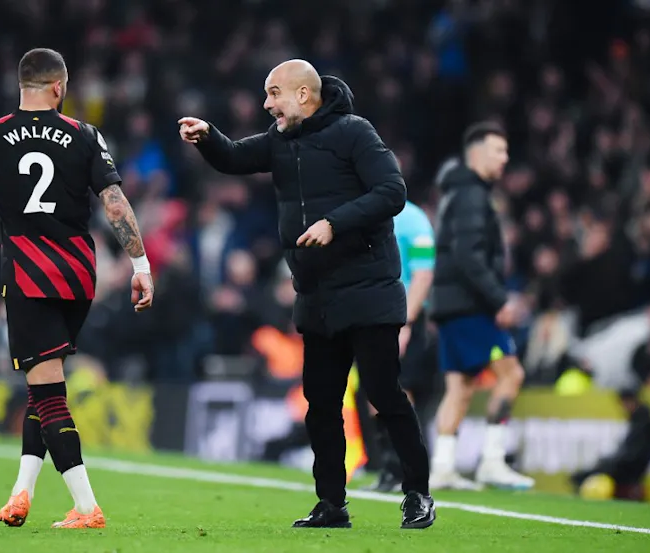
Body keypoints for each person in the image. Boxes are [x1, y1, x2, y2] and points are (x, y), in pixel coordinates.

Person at [179, 59, 434, 530]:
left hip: (370, 290)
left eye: (274, 93)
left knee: (383, 392)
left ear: (303, 95)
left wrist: (334, 223)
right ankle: (332, 504)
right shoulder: (280, 142)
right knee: (321, 404)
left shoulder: (355, 133)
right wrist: (207, 136)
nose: (266, 104)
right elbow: (235, 157)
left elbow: (392, 191)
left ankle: (417, 491)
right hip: (316, 295)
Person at [0, 48, 154, 529]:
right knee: (44, 386)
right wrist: (140, 263)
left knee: (49, 393)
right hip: (80, 276)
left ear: (23, 85)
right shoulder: (85, 135)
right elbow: (116, 203)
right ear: (60, 87)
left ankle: (87, 508)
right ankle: (21, 493)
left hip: (28, 277)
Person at [428, 122, 534, 490]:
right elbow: (468, 255)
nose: (505, 158)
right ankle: (492, 461)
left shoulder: (457, 193)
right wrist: (499, 299)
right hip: (470, 304)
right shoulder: (472, 194)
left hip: (450, 304)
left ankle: (442, 467)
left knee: (460, 387)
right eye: (498, 151)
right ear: (476, 153)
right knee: (512, 374)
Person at [362, 199, 436, 492]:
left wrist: (406, 323)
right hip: (369, 314)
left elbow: (423, 274)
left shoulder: (414, 220)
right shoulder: (364, 213)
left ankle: (409, 470)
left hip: (402, 314)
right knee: (372, 392)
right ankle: (390, 468)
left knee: (399, 389)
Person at [570, 387, 650, 500]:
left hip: (630, 465)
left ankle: (579, 482)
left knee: (594, 470)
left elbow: (634, 452)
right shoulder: (640, 418)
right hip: (629, 462)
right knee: (602, 464)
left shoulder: (642, 420)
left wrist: (614, 460)